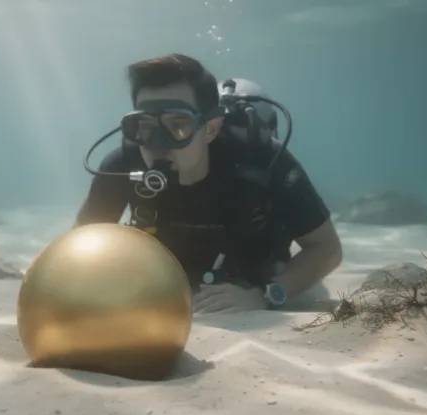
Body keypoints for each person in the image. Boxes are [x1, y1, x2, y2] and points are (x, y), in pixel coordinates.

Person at [74, 54, 342, 314]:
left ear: (211, 128)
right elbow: (78, 245)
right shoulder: (123, 164)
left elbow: (327, 249)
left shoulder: (261, 160)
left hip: (256, 274)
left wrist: (266, 295)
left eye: (178, 127)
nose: (157, 144)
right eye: (143, 126)